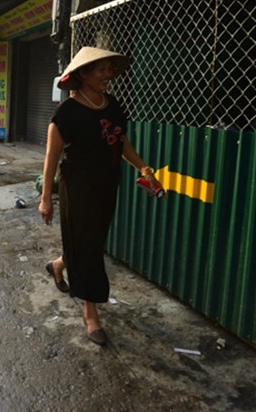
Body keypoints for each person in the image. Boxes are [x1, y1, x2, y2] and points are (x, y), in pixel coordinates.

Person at [38, 46, 163, 347]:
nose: (108, 75)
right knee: (90, 248)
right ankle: (91, 313)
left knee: (91, 242)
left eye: (110, 69)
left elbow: (121, 143)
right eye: (101, 70)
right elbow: (51, 157)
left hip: (107, 184)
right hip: (77, 187)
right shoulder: (66, 113)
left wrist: (144, 168)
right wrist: (45, 197)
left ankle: (59, 264)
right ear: (83, 74)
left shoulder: (113, 105)